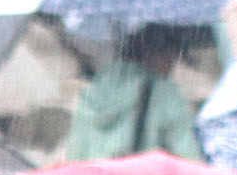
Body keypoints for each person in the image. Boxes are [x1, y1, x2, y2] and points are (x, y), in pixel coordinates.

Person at [66, 23, 209, 162]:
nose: (171, 68)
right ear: (160, 54)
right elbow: (189, 157)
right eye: (171, 59)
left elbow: (75, 154)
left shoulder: (92, 91)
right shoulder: (164, 93)